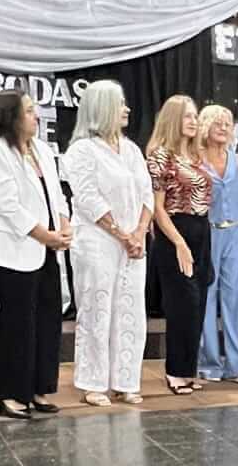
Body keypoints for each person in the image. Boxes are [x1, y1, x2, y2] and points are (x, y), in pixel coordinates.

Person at [0, 90, 71, 419]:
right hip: (16, 250)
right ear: (11, 116)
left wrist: (64, 224)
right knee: (18, 324)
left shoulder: (41, 149)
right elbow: (8, 205)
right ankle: (10, 393)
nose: (36, 116)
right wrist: (45, 235)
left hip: (47, 249)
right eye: (29, 111)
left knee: (47, 321)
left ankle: (38, 387)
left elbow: (56, 194)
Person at [63, 81, 152, 406]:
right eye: (120, 103)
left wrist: (139, 232)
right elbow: (88, 198)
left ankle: (125, 381)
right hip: (97, 242)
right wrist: (122, 234)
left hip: (133, 245)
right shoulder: (81, 151)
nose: (127, 109)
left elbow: (146, 193)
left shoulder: (131, 149)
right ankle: (93, 382)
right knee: (97, 310)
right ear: (102, 109)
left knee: (131, 311)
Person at [145, 95, 214, 395]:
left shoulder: (196, 156)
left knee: (198, 304)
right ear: (173, 119)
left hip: (201, 230)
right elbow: (158, 208)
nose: (194, 121)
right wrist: (179, 243)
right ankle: (175, 370)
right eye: (187, 116)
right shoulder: (162, 156)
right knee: (182, 304)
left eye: (195, 116)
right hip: (175, 230)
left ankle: (188, 369)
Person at [196, 105, 238, 384]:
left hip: (233, 234)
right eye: (217, 123)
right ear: (205, 126)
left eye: (227, 124)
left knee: (237, 299)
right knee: (205, 299)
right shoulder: (195, 160)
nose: (223, 128)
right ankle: (208, 363)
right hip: (206, 235)